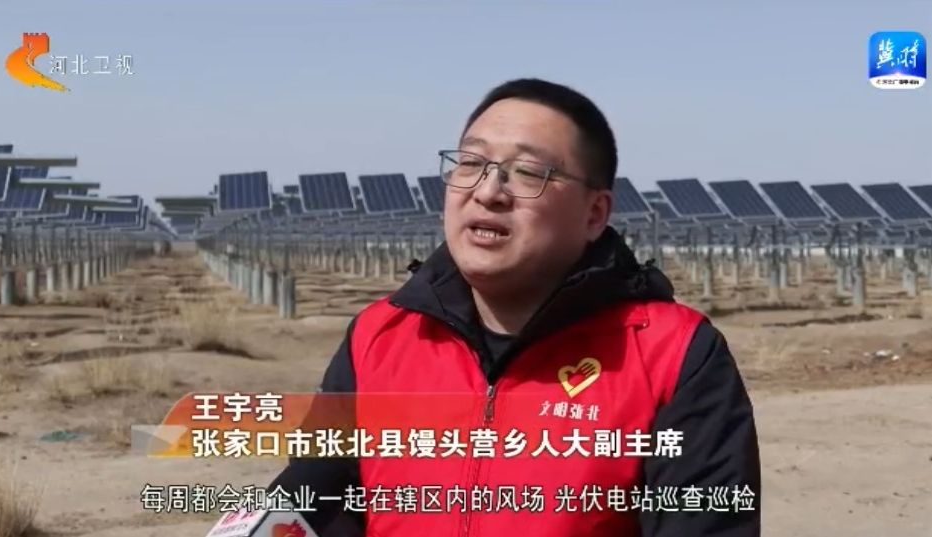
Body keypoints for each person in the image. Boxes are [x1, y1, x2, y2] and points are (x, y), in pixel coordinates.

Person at [268, 78, 761, 536]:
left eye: (527, 172)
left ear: (594, 214)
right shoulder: (378, 337)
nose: (487, 192)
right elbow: (306, 503)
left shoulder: (672, 354)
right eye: (469, 163)